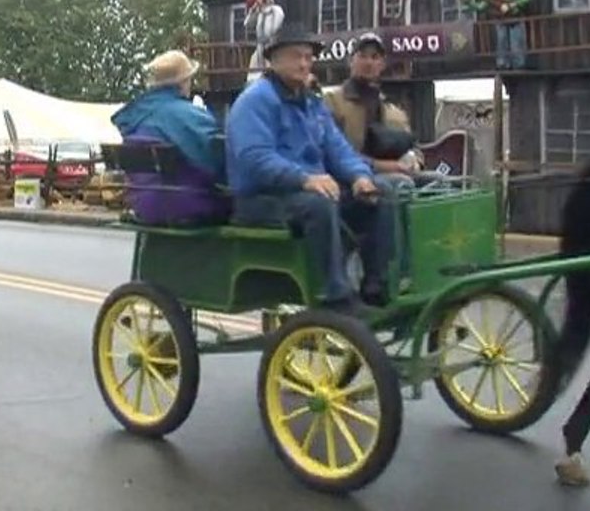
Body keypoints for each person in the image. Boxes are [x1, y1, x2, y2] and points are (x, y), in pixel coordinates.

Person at [225, 23, 391, 316]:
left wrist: (360, 176)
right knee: (319, 204)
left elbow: (338, 149)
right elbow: (255, 158)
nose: (303, 63)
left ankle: (375, 285)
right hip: (260, 199)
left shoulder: (311, 103)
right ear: (273, 60)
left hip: (304, 191)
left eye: (308, 57)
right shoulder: (255, 101)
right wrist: (304, 179)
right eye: (295, 56)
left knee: (382, 192)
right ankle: (335, 295)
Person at [111, 49, 228, 225]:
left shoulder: (134, 116)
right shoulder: (188, 115)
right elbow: (217, 158)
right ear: (182, 82)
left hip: (144, 207)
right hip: (186, 205)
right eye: (189, 79)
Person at [323, 32, 423, 180]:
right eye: (362, 56)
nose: (368, 62)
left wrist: (415, 162)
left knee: (441, 182)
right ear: (351, 61)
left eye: (375, 57)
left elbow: (414, 147)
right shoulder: (332, 102)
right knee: (402, 182)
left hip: (397, 173)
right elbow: (330, 152)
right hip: (350, 177)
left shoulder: (393, 110)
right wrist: (381, 166)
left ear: (382, 64)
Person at [463, 0, 532, 69]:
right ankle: (503, 64)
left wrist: (511, 5)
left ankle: (519, 65)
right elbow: (483, 5)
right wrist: (469, 2)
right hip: (501, 20)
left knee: (517, 44)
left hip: (516, 19)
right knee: (502, 43)